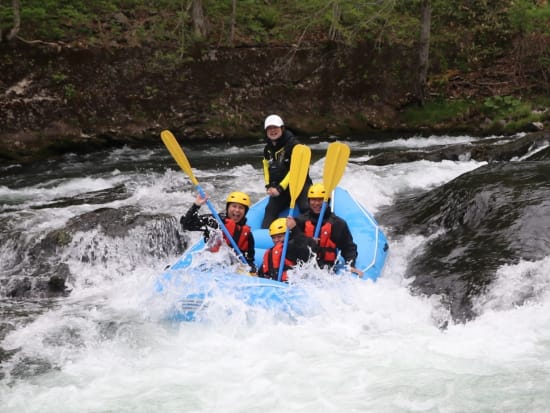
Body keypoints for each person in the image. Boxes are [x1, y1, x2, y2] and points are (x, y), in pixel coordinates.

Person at [287, 183, 363, 276]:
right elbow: (290, 246)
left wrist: (351, 265)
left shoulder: (337, 224)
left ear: (328, 201)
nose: (317, 203)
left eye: (321, 200)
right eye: (313, 200)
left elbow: (348, 247)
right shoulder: (300, 221)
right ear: (309, 201)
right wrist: (306, 240)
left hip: (326, 269)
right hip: (303, 268)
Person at [181, 191, 256, 273]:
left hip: (232, 268)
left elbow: (250, 259)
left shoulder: (247, 234)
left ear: (245, 212)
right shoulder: (216, 221)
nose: (237, 210)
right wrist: (196, 205)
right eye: (234, 206)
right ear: (228, 208)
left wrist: (251, 269)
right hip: (210, 264)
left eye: (241, 208)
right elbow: (187, 225)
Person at [261, 114, 312, 229]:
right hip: (280, 187)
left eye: (275, 127)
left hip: (300, 184)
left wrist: (280, 188)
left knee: (305, 207)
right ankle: (266, 237)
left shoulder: (294, 145)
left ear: (282, 129)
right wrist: (269, 185)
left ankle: (306, 233)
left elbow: (295, 170)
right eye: (269, 128)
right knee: (270, 209)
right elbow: (265, 166)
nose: (272, 131)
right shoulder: (267, 148)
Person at [258, 217, 318, 282]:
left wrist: (295, 230)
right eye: (273, 238)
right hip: (277, 285)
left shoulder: (293, 247)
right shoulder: (271, 252)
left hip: (292, 285)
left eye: (279, 236)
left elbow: (306, 253)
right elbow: (262, 272)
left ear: (289, 234)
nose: (276, 240)